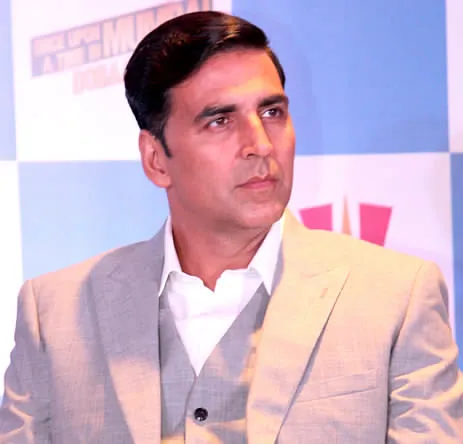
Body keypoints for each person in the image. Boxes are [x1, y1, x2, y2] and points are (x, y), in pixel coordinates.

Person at [1, 10, 462, 444]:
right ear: (156, 159)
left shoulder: (396, 298)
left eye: (272, 112)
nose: (260, 144)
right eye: (220, 121)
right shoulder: (54, 314)